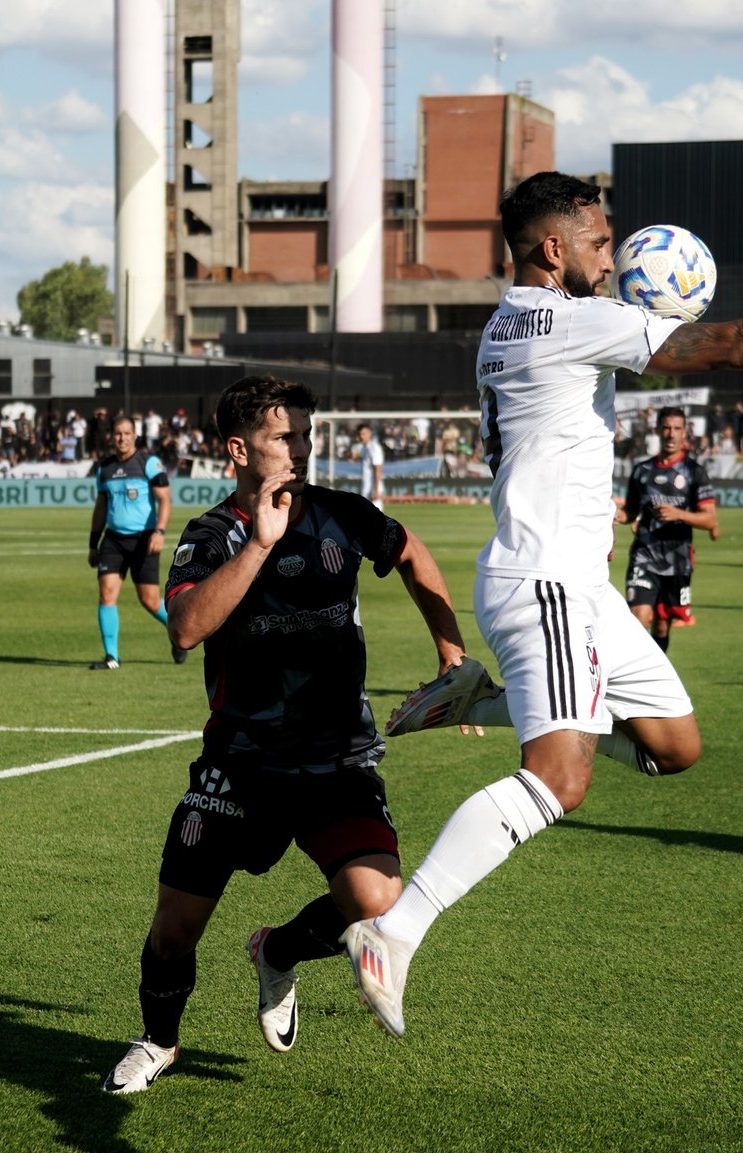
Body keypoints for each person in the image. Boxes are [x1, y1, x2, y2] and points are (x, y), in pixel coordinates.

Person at [342, 169, 743, 1037]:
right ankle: (395, 935)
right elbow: (731, 345)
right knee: (561, 780)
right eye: (597, 242)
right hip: (544, 580)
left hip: (581, 589)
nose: (612, 260)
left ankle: (490, 694)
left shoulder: (515, 321)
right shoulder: (564, 320)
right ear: (553, 249)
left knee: (673, 748)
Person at [101, 375, 473, 1093]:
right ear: (239, 450)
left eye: (304, 435)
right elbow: (185, 627)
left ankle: (279, 950)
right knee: (175, 927)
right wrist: (260, 546)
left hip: (336, 758)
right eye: (283, 438)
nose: (299, 449)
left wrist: (450, 651)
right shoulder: (211, 535)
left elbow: (414, 557)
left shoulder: (339, 513)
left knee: (375, 899)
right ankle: (158, 1042)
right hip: (240, 764)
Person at [88, 414, 184, 668]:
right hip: (113, 541)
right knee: (107, 594)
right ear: (112, 436)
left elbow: (165, 499)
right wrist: (93, 543)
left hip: (144, 540)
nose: (122, 438)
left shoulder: (148, 463)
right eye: (117, 433)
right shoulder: (104, 467)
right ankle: (111, 657)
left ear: (135, 436)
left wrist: (159, 532)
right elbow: (100, 507)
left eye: (127, 433)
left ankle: (179, 635)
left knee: (150, 600)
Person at [620, 406, 716, 651]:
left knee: (662, 627)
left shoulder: (695, 473)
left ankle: (653, 678)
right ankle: (632, 680)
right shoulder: (642, 471)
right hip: (644, 556)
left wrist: (679, 514)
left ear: (685, 433)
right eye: (666, 428)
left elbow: (710, 520)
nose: (671, 434)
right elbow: (629, 512)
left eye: (676, 429)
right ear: (656, 430)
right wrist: (610, 513)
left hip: (677, 561)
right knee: (636, 619)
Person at [355, 423, 385, 509]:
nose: (361, 436)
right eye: (360, 434)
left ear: (370, 433)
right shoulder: (364, 447)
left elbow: (378, 469)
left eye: (363, 434)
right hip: (366, 487)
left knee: (377, 517)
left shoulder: (375, 448)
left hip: (373, 488)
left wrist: (376, 490)